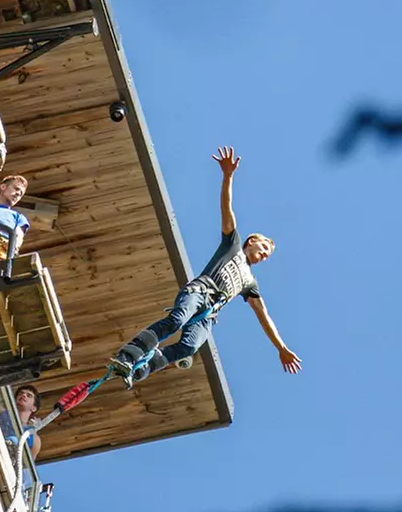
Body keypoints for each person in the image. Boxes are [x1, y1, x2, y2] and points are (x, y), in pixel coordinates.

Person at [110, 146, 301, 388]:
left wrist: (281, 348)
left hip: (209, 314)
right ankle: (129, 353)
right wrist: (228, 176)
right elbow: (226, 208)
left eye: (267, 256)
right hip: (199, 292)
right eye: (264, 248)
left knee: (189, 346)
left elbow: (264, 316)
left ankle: (141, 369)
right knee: (176, 320)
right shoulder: (232, 245)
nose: (264, 255)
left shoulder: (250, 283)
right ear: (251, 241)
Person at [0, 383, 43, 460]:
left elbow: (24, 467)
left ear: (34, 408)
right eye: (21, 393)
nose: (24, 395)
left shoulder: (33, 438)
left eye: (29, 395)